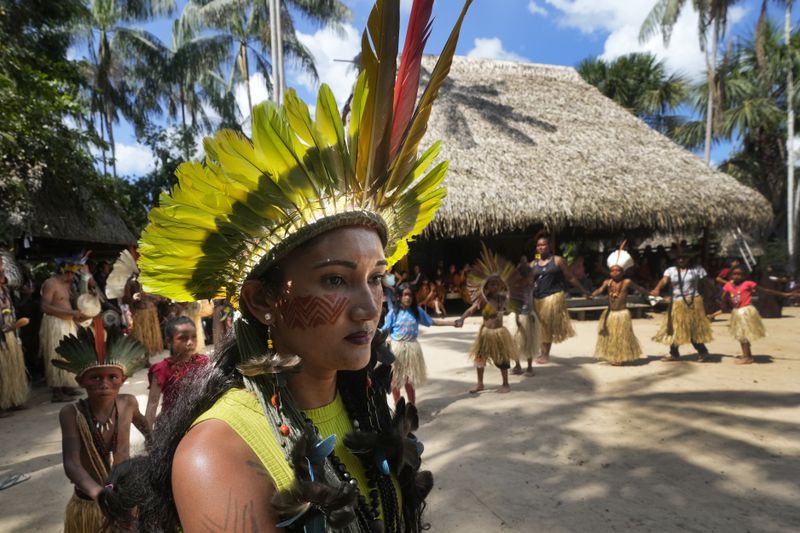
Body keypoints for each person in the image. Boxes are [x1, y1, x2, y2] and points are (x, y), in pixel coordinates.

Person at [97, 3, 471, 530]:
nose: (370, 307)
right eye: (337, 280)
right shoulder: (218, 453)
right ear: (263, 299)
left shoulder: (362, 403)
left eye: (377, 278)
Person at [54, 328, 149, 532]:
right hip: (89, 504)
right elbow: (72, 464)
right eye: (95, 378)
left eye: (112, 377)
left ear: (123, 379)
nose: (104, 384)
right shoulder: (71, 413)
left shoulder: (128, 404)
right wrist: (101, 495)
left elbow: (149, 431)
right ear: (80, 381)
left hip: (123, 500)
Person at [455, 245, 521, 394]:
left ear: (501, 285)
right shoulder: (483, 300)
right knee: (479, 358)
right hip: (485, 333)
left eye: (497, 283)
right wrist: (462, 319)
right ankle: (480, 383)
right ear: (487, 287)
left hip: (499, 333)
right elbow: (471, 310)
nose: (495, 286)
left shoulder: (503, 299)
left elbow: (512, 307)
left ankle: (505, 383)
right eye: (492, 284)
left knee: (502, 359)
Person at [381, 287, 455, 405]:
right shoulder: (393, 313)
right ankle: (397, 405)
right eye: (405, 295)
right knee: (395, 380)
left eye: (410, 295)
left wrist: (452, 323)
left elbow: (432, 322)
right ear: (399, 297)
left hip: (412, 348)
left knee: (409, 380)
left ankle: (412, 406)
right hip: (397, 349)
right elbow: (384, 330)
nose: (408, 298)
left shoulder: (417, 311)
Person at [531, 235, 592, 364]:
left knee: (546, 325)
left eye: (543, 244)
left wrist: (584, 291)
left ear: (549, 246)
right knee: (540, 326)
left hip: (552, 297)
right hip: (537, 299)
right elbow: (529, 282)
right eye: (538, 245)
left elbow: (570, 277)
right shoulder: (534, 263)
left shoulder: (558, 261)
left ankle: (545, 354)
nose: (541, 247)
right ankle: (543, 351)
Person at [719, 266, 795, 364]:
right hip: (736, 312)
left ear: (744, 275)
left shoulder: (748, 284)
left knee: (743, 334)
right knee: (740, 334)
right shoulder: (728, 285)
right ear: (730, 275)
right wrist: (723, 303)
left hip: (745, 311)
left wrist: (784, 294)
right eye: (735, 274)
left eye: (740, 274)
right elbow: (724, 295)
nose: (737, 276)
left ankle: (747, 357)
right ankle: (747, 354)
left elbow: (765, 290)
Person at [145, 316, 209, 427]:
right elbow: (152, 403)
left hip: (200, 421)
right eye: (183, 338)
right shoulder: (161, 369)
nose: (190, 342)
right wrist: (149, 436)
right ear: (169, 341)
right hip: (172, 425)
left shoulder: (204, 363)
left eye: (193, 337)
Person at [651, 250, 713, 361]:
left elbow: (706, 282)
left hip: (693, 302)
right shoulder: (670, 270)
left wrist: (710, 295)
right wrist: (657, 288)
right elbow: (664, 280)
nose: (681, 259)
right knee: (674, 328)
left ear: (688, 258)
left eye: (684, 257)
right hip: (677, 303)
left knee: (694, 328)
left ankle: (703, 351)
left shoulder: (697, 269)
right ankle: (674, 353)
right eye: (679, 258)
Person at [591, 250, 651, 366]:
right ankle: (614, 355)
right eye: (612, 270)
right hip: (610, 313)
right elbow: (599, 290)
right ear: (610, 272)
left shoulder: (627, 282)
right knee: (611, 336)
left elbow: (639, 289)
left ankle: (620, 356)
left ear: (623, 272)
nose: (615, 273)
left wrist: (650, 293)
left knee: (621, 336)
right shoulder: (607, 282)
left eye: (618, 270)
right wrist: (592, 295)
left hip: (622, 314)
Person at [40, 256, 87, 402]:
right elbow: (45, 307)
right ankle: (57, 392)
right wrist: (70, 313)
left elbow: (71, 302)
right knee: (56, 355)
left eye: (73, 274)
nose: (71, 276)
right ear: (62, 271)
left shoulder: (67, 285)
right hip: (54, 324)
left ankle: (66, 386)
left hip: (67, 324)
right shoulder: (50, 284)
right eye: (69, 273)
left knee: (67, 356)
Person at [0, 255, 29, 416]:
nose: (3, 275)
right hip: (2, 336)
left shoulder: (5, 290)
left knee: (12, 368)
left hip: (11, 334)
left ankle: (11, 399)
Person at [123, 272, 163, 359]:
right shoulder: (131, 282)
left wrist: (148, 295)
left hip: (150, 313)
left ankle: (147, 356)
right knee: (140, 337)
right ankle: (141, 357)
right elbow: (125, 299)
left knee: (149, 336)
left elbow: (160, 297)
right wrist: (134, 298)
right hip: (139, 313)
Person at [512, 256, 539, 376]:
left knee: (529, 342)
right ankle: (517, 365)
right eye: (530, 276)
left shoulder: (531, 287)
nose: (532, 279)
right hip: (517, 317)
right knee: (515, 343)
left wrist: (536, 315)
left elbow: (532, 302)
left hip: (529, 316)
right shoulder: (515, 289)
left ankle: (529, 367)